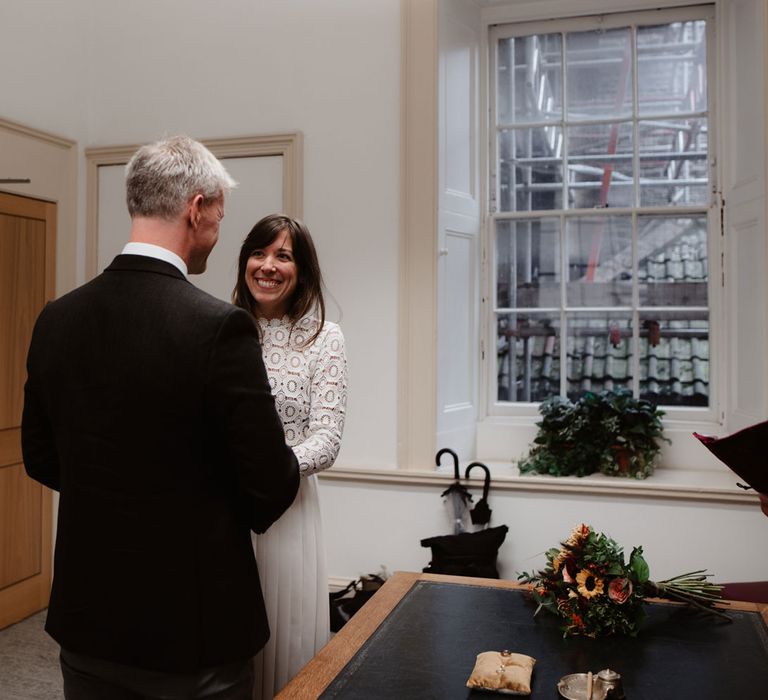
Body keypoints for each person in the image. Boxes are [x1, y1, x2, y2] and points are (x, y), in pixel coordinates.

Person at [21, 136, 300, 700]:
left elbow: (41, 455)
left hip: (87, 613)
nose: (217, 234)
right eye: (219, 217)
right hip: (190, 626)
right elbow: (270, 483)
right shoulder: (218, 326)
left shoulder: (57, 317)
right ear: (196, 209)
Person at [232, 214, 348, 699]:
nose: (268, 266)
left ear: (303, 270)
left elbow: (327, 440)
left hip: (287, 506)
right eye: (259, 253)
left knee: (286, 635)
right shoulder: (222, 328)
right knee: (229, 635)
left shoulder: (325, 337)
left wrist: (267, 475)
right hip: (224, 507)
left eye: (283, 256)